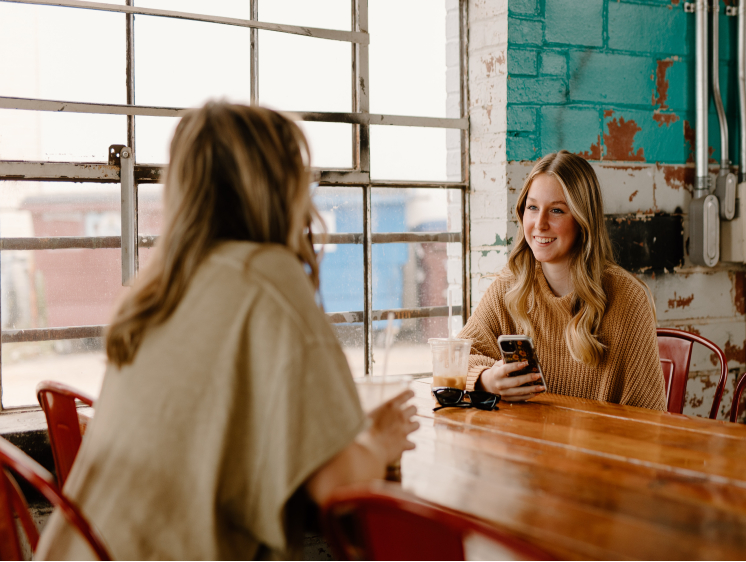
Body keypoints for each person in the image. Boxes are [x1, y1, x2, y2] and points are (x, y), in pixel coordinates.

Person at [36, 103, 419, 560]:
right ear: (277, 183)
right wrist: (379, 442)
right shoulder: (268, 276)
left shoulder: (163, 284)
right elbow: (339, 485)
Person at [460, 150, 666, 411]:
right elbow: (453, 359)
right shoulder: (511, 286)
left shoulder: (628, 298)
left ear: (583, 221)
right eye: (532, 207)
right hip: (526, 448)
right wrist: (485, 380)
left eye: (556, 210)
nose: (540, 223)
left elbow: (649, 420)